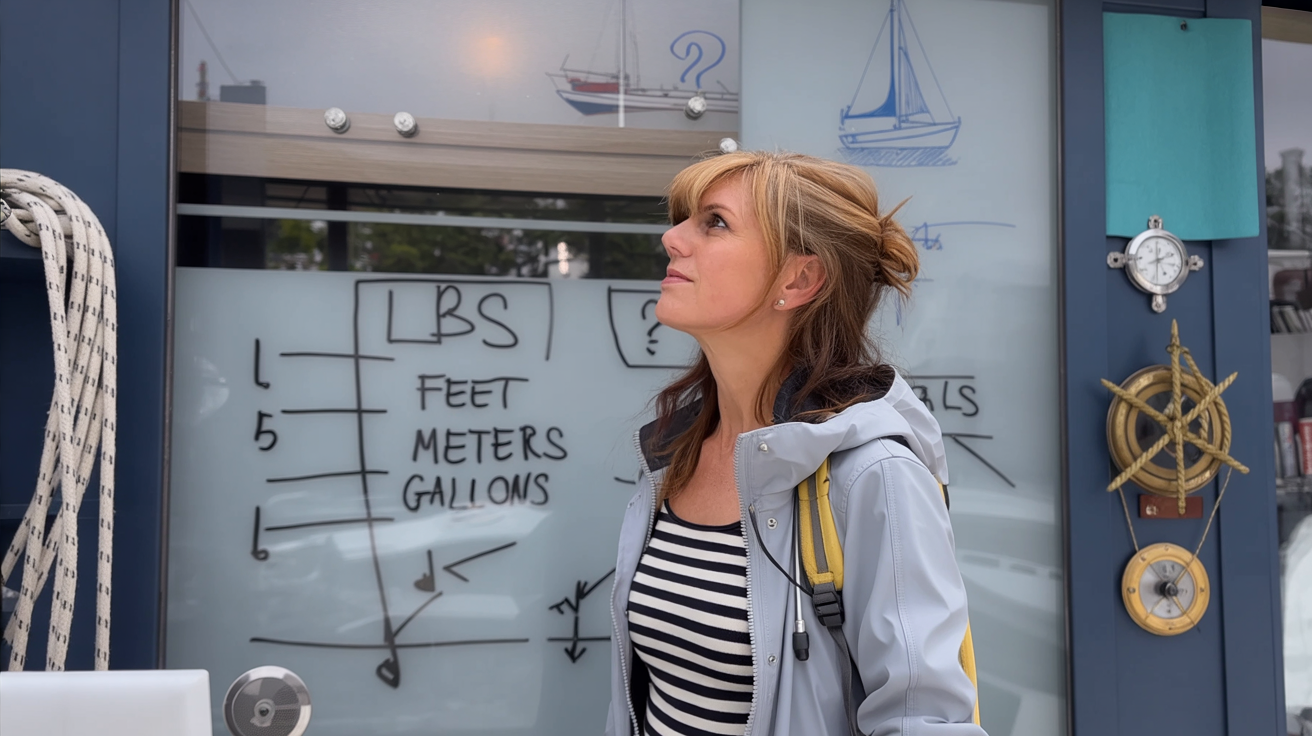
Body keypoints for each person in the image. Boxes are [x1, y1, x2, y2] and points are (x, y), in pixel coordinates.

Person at [605, 151, 985, 736]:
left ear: (799, 279)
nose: (672, 239)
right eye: (686, 219)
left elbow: (925, 720)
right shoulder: (674, 454)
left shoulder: (874, 473)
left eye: (715, 222)